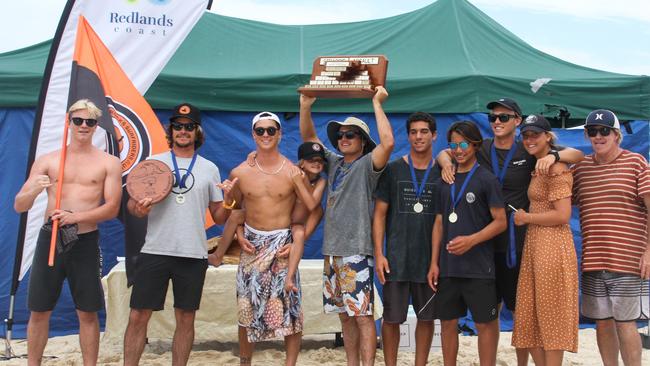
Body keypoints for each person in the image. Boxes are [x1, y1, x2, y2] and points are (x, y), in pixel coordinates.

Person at [436, 98, 583, 366]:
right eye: (493, 118)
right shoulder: (482, 148)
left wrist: (554, 155)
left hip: (519, 244)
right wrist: (444, 159)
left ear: (517, 120)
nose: (497, 122)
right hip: (483, 246)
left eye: (504, 118)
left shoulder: (529, 147)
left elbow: (578, 155)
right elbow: (450, 150)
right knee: (489, 313)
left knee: (522, 311)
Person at [122, 103, 235, 366]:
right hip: (155, 250)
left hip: (192, 253)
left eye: (188, 127)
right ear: (170, 131)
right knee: (138, 315)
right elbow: (132, 207)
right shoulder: (154, 164)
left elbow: (219, 217)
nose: (183, 131)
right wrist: (138, 208)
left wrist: (230, 200)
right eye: (178, 126)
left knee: (186, 317)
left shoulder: (209, 168)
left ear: (197, 132)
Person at [14, 99, 122, 366]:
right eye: (78, 120)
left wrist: (77, 217)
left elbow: (111, 208)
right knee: (39, 310)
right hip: (50, 238)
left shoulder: (108, 163)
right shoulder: (49, 160)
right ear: (68, 123)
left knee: (87, 311)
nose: (84, 126)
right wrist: (34, 189)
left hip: (85, 240)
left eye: (90, 122)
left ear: (96, 126)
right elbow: (20, 205)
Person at [300, 87, 394, 366]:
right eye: (340, 135)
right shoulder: (334, 163)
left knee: (363, 316)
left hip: (355, 251)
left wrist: (377, 103)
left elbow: (387, 143)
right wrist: (305, 106)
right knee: (345, 315)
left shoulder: (368, 164)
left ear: (363, 141)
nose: (343, 138)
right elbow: (310, 140)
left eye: (350, 134)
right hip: (332, 252)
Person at [227, 112, 320, 366]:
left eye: (271, 130)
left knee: (290, 308)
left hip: (281, 245)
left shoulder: (292, 171)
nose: (265, 135)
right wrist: (238, 233)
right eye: (260, 131)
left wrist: (301, 181)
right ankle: (245, 362)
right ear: (253, 134)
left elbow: (312, 206)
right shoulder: (240, 171)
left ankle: (290, 364)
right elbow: (233, 209)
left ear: (280, 134)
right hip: (252, 245)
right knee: (246, 308)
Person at [572, 109, 650, 366]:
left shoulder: (637, 162)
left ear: (617, 135)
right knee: (602, 324)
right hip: (594, 260)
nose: (598, 136)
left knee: (626, 323)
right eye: (592, 131)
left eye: (604, 130)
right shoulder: (580, 169)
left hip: (628, 261)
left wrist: (649, 251)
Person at [428, 121, 506, 366]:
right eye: (453, 144)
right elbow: (439, 222)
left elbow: (501, 222)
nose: (458, 150)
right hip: (449, 266)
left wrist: (471, 240)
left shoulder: (486, 179)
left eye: (463, 144)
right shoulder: (445, 179)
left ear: (475, 145)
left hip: (479, 268)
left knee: (485, 323)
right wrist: (434, 263)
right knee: (448, 322)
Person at [372, 112, 439, 366]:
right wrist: (380, 253)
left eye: (424, 131)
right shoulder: (393, 170)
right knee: (391, 319)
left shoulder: (443, 171)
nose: (418, 137)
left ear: (434, 134)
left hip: (429, 260)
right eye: (413, 132)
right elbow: (379, 215)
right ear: (408, 135)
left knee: (426, 318)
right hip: (397, 258)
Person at [511, 115, 578, 366]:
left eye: (535, 135)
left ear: (548, 137)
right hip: (536, 244)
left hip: (552, 245)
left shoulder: (555, 167)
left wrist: (527, 217)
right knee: (530, 318)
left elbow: (563, 215)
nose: (529, 140)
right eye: (526, 135)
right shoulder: (538, 163)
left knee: (552, 319)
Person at [209, 141, 327, 272]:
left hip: (293, 225)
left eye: (320, 161)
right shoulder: (291, 170)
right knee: (236, 215)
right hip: (270, 218)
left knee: (316, 213)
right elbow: (271, 164)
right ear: (302, 162)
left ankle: (290, 277)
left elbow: (312, 205)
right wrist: (255, 155)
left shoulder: (318, 181)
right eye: (311, 160)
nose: (316, 163)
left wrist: (299, 182)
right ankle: (218, 255)